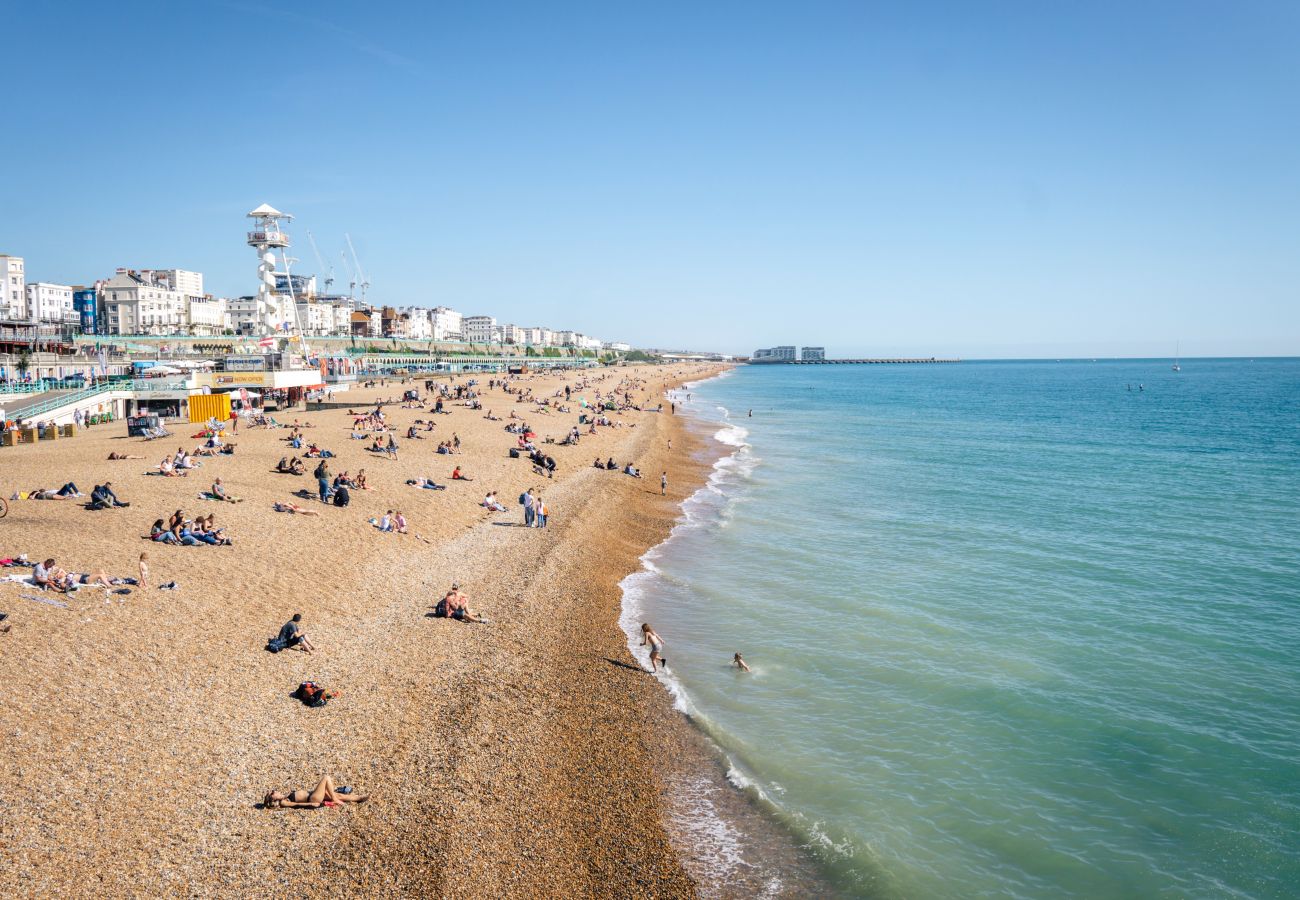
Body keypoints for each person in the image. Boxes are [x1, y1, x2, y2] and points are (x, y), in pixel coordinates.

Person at [263, 776, 367, 809]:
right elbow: (296, 804)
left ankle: (359, 798)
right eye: (272, 793)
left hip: (313, 794)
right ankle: (335, 799)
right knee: (326, 778)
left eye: (273, 791)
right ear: (273, 798)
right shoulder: (283, 802)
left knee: (338, 795)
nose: (274, 790)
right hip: (313, 798)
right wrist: (312, 804)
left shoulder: (285, 796)